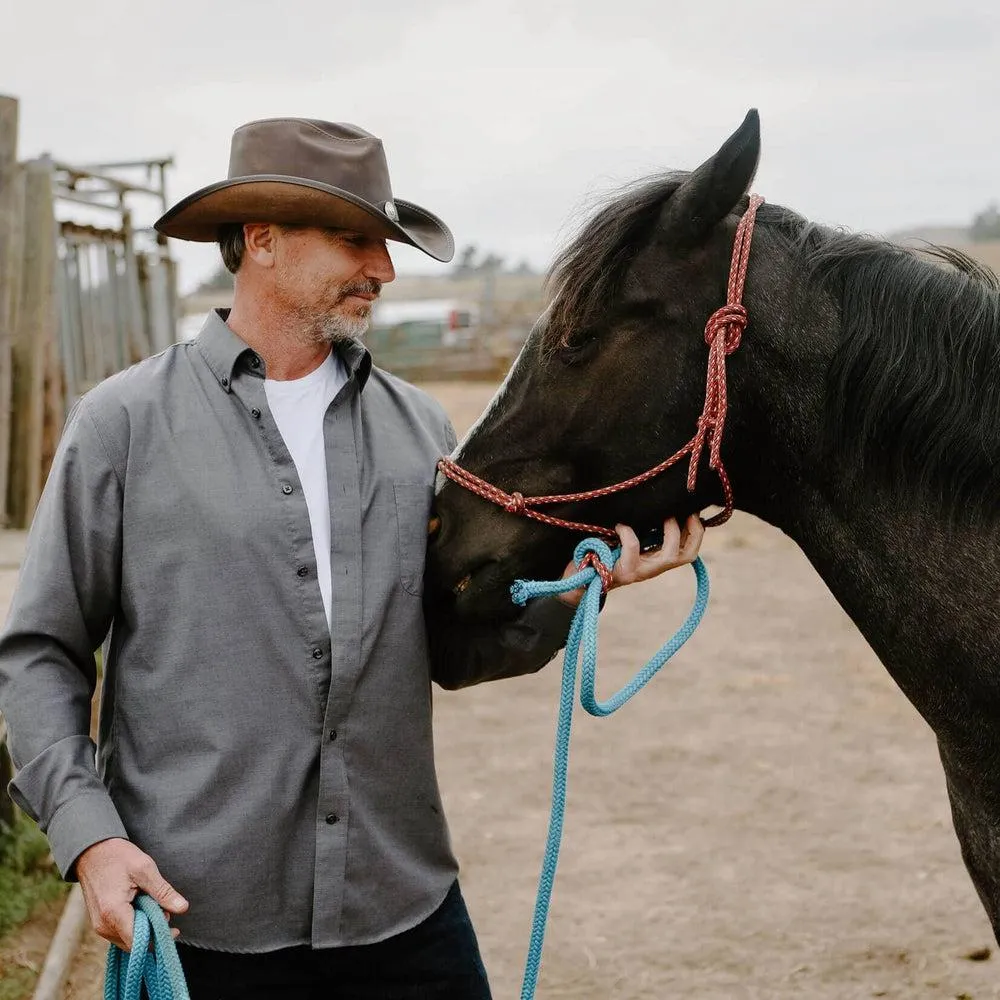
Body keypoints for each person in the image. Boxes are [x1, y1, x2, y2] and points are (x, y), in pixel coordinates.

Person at [0, 117, 704, 999]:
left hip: (402, 909)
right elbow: (39, 658)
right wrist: (91, 839)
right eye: (354, 239)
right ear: (260, 240)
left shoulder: (425, 432)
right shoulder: (123, 425)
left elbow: (452, 651)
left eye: (386, 242)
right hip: (199, 919)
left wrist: (579, 591)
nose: (384, 267)